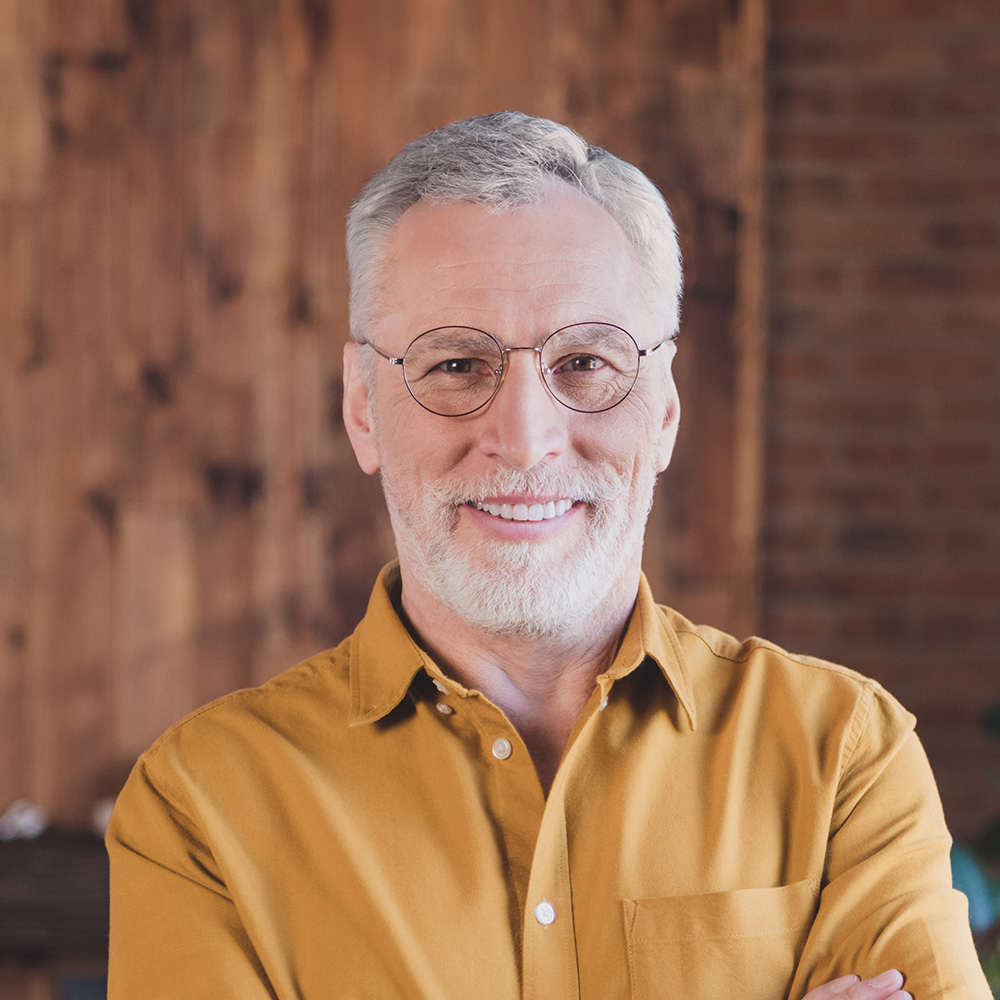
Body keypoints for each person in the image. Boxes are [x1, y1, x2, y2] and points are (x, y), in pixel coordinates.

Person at [106, 112, 990, 999]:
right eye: (455, 364)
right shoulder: (201, 808)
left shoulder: (843, 756)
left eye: (584, 363)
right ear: (364, 408)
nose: (525, 440)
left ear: (667, 410)